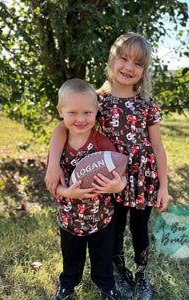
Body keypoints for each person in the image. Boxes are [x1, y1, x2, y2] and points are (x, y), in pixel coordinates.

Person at [45, 33, 169, 300]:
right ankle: (117, 269)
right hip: (108, 177)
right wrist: (53, 164)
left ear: (144, 70)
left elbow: (158, 147)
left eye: (137, 63)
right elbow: (61, 128)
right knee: (112, 227)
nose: (128, 67)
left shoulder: (147, 105)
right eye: (123, 58)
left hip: (139, 179)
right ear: (111, 61)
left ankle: (142, 273)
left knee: (139, 228)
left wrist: (164, 186)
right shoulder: (98, 100)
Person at [48, 78, 127, 300]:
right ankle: (67, 285)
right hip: (70, 218)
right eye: (72, 113)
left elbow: (122, 176)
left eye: (87, 113)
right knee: (71, 257)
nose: (81, 119)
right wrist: (68, 193)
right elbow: (54, 186)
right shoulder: (59, 145)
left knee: (102, 257)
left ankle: (107, 287)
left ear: (96, 110)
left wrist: (117, 185)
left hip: (101, 217)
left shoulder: (102, 143)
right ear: (60, 111)